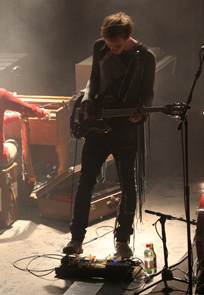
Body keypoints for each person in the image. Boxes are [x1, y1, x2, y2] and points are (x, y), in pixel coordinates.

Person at [63, 12, 156, 258]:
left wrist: (142, 113)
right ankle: (76, 239)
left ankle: (123, 241)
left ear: (128, 37)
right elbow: (93, 78)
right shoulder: (100, 47)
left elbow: (148, 94)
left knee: (128, 185)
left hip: (125, 128)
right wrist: (86, 99)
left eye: (117, 44)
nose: (112, 48)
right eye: (108, 43)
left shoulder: (145, 57)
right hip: (96, 126)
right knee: (85, 183)